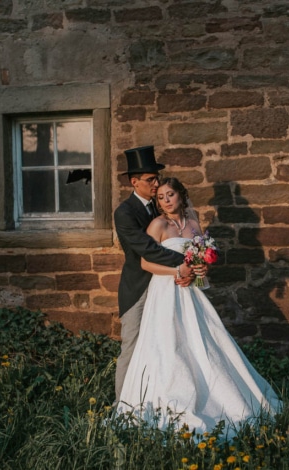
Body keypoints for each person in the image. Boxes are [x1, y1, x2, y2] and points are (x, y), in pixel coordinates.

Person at [117, 177, 281, 437]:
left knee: (201, 341)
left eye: (170, 194)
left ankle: (212, 395)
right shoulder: (158, 225)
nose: (166, 200)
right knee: (168, 344)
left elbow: (200, 260)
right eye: (160, 197)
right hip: (166, 291)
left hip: (190, 292)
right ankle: (170, 400)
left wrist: (200, 269)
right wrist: (176, 270)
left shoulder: (194, 225)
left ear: (181, 195)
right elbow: (145, 264)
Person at [113, 146, 196, 402]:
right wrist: (186, 262)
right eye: (150, 179)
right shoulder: (124, 212)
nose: (156, 184)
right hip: (139, 287)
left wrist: (192, 267)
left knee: (171, 344)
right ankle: (122, 405)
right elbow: (146, 250)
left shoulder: (160, 207)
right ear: (134, 182)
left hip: (169, 287)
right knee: (132, 345)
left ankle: (162, 400)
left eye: (157, 178)